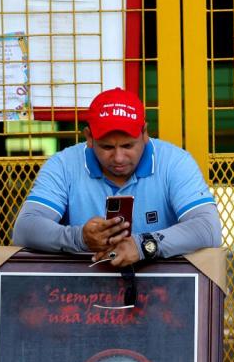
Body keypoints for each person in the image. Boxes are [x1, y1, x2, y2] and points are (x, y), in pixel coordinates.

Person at [12, 87, 222, 268]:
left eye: (128, 146)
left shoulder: (175, 162)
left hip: (163, 287)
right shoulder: (63, 165)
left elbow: (207, 228)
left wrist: (143, 246)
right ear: (89, 138)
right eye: (107, 147)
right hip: (80, 289)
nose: (119, 157)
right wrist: (79, 238)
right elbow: (25, 228)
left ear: (145, 133)